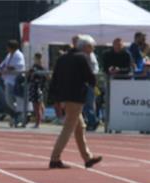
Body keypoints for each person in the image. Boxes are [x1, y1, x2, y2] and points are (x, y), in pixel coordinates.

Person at [48, 34, 102, 170]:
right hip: (76, 97)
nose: (93, 50)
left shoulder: (63, 58)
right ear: (86, 46)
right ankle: (55, 158)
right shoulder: (81, 58)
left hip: (65, 96)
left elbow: (55, 78)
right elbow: (90, 77)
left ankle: (87, 158)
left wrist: (55, 98)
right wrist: (93, 84)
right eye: (92, 47)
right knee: (68, 128)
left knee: (80, 127)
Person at [0, 40, 26, 126]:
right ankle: (18, 114)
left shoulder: (19, 55)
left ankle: (20, 116)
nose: (7, 48)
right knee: (8, 100)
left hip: (16, 81)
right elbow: (3, 64)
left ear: (12, 47)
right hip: (8, 80)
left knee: (17, 100)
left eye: (8, 47)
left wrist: (9, 67)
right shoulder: (9, 55)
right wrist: (3, 67)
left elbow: (20, 66)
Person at [27, 52, 48, 128]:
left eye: (38, 59)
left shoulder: (42, 68)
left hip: (38, 88)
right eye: (36, 59)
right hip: (34, 88)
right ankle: (39, 120)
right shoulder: (33, 67)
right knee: (36, 105)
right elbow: (29, 77)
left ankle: (38, 122)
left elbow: (46, 78)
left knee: (37, 106)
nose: (37, 60)